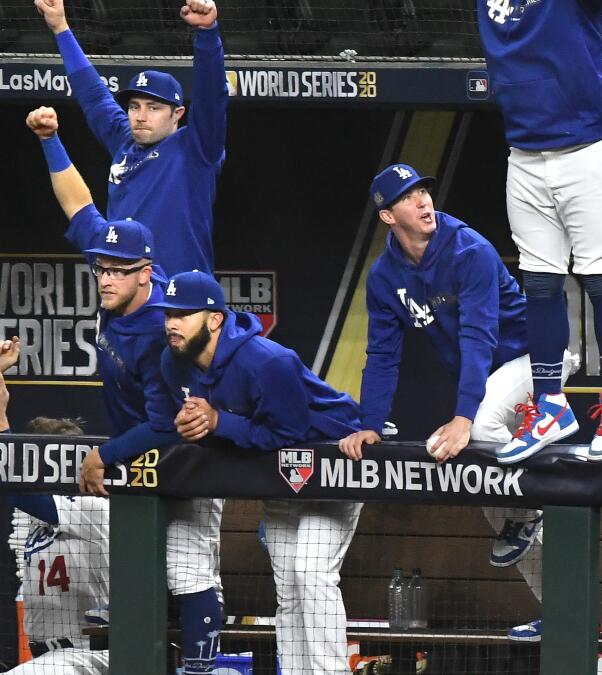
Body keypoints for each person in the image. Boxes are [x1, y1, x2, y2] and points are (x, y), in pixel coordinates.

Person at [27, 107, 223, 675]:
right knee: (139, 562)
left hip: (189, 449)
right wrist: (51, 139)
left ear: (146, 272)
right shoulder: (117, 275)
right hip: (139, 450)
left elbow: (169, 423)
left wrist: (102, 454)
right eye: (101, 268)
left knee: (188, 568)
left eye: (119, 269)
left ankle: (201, 667)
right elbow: (78, 203)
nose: (106, 277)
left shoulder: (166, 331)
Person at [338, 164, 561, 620]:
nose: (423, 201)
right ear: (387, 217)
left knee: (474, 432)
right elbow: (382, 356)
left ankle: (532, 503)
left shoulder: (469, 249)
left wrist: (463, 416)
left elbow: (479, 336)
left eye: (424, 191)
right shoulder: (385, 277)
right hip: (490, 376)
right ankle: (562, 609)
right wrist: (370, 425)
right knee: (490, 495)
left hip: (535, 362)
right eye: (408, 197)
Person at [151, 270, 363, 675]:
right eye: (167, 314)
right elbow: (189, 423)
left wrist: (218, 423)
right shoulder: (173, 362)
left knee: (311, 572)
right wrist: (191, 424)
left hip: (330, 462)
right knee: (289, 589)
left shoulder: (267, 362)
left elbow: (291, 436)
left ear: (214, 319)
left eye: (183, 314)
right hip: (277, 477)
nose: (171, 324)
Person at [476, 0, 602, 462]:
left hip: (589, 145)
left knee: (600, 274)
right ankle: (550, 404)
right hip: (525, 152)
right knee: (540, 281)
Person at [35, 0, 227, 275]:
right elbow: (94, 95)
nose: (140, 115)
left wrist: (208, 33)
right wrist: (61, 28)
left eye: (154, 108)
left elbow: (211, 97)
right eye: (134, 106)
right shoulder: (125, 141)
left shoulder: (196, 149)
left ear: (178, 114)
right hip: (126, 293)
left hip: (180, 303)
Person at [0, 338, 110, 674]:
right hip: (47, 656)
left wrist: (2, 414)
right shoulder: (37, 517)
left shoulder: (93, 507)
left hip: (94, 654)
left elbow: (15, 480)